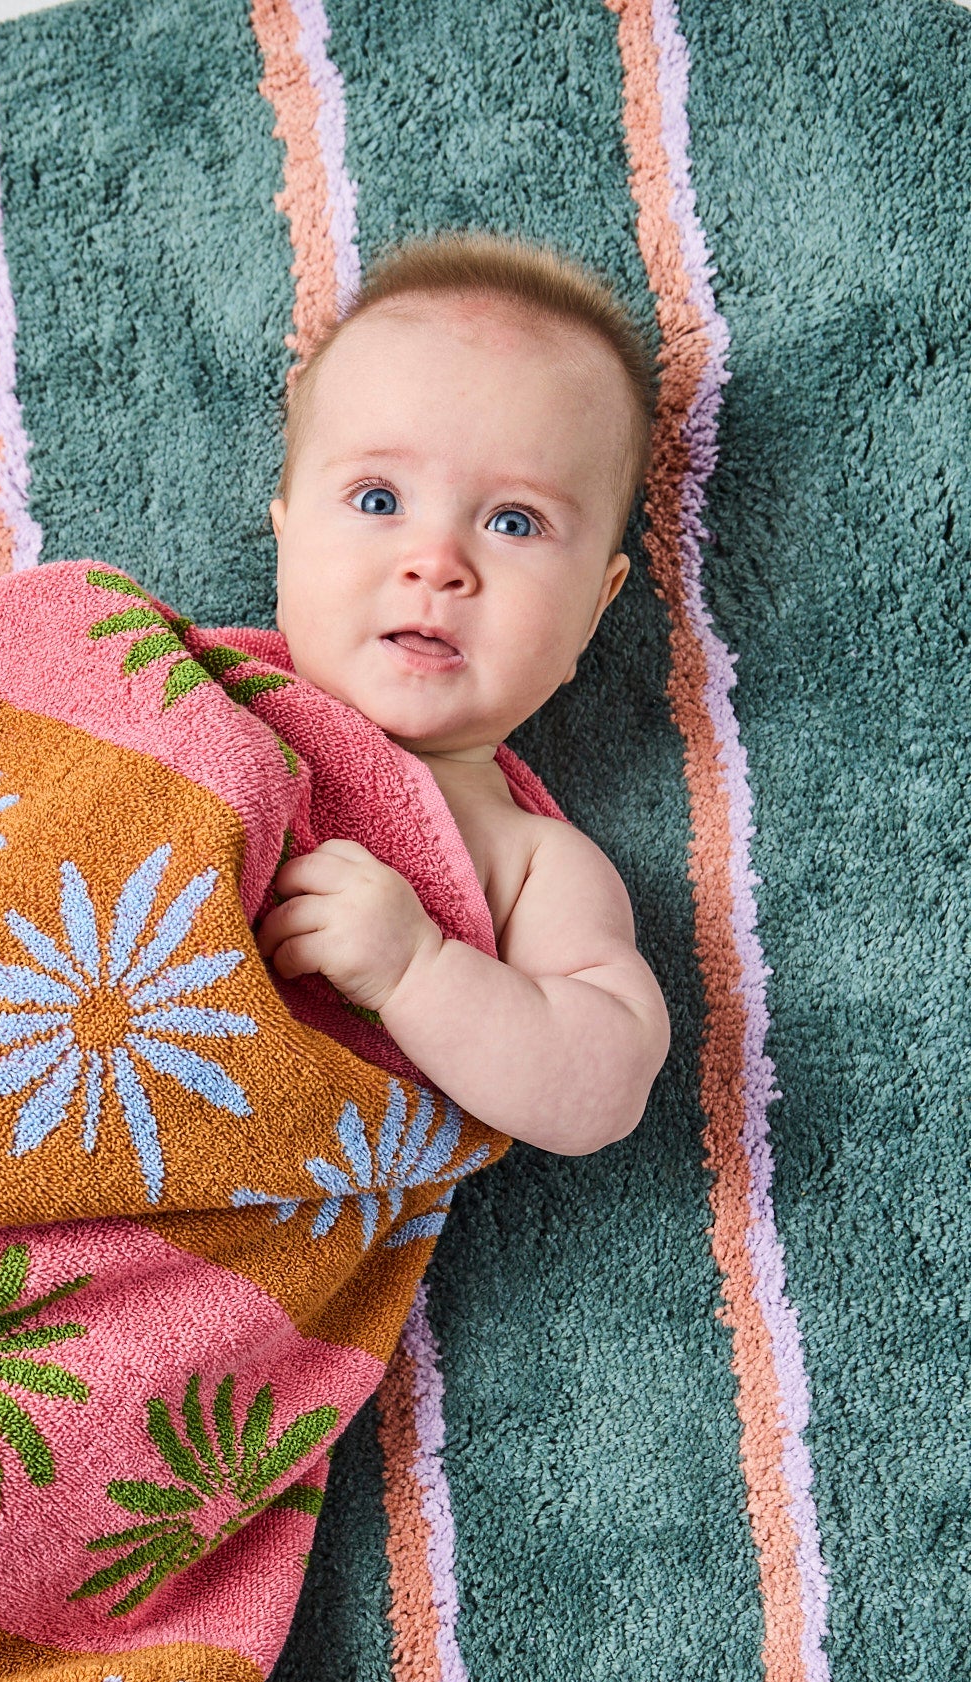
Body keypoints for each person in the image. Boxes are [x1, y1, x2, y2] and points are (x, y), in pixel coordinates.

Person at [257, 233, 671, 1157]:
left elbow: (601, 1086)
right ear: (284, 543)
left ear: (596, 609)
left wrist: (419, 970)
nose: (437, 563)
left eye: (513, 521)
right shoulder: (181, 683)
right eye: (376, 499)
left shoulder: (531, 862)